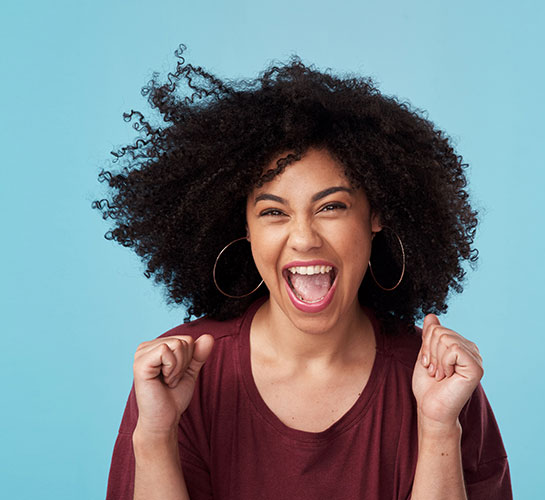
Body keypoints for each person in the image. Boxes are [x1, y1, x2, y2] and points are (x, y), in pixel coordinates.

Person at [96, 45, 512, 499]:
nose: (304, 237)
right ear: (246, 229)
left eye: (331, 206)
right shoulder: (182, 375)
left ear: (378, 215)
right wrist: (155, 436)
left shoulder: (439, 380)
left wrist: (438, 428)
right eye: (274, 212)